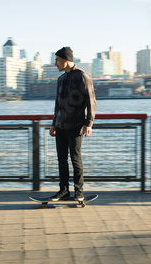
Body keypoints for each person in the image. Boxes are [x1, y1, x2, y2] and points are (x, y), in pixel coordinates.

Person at [49, 46, 96, 201]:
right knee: (61, 159)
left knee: (75, 158)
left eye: (57, 60)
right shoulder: (61, 79)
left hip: (76, 125)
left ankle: (78, 191)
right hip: (60, 125)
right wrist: (53, 123)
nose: (55, 63)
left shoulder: (83, 76)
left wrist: (88, 124)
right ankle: (63, 190)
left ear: (66, 60)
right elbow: (58, 103)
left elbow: (91, 101)